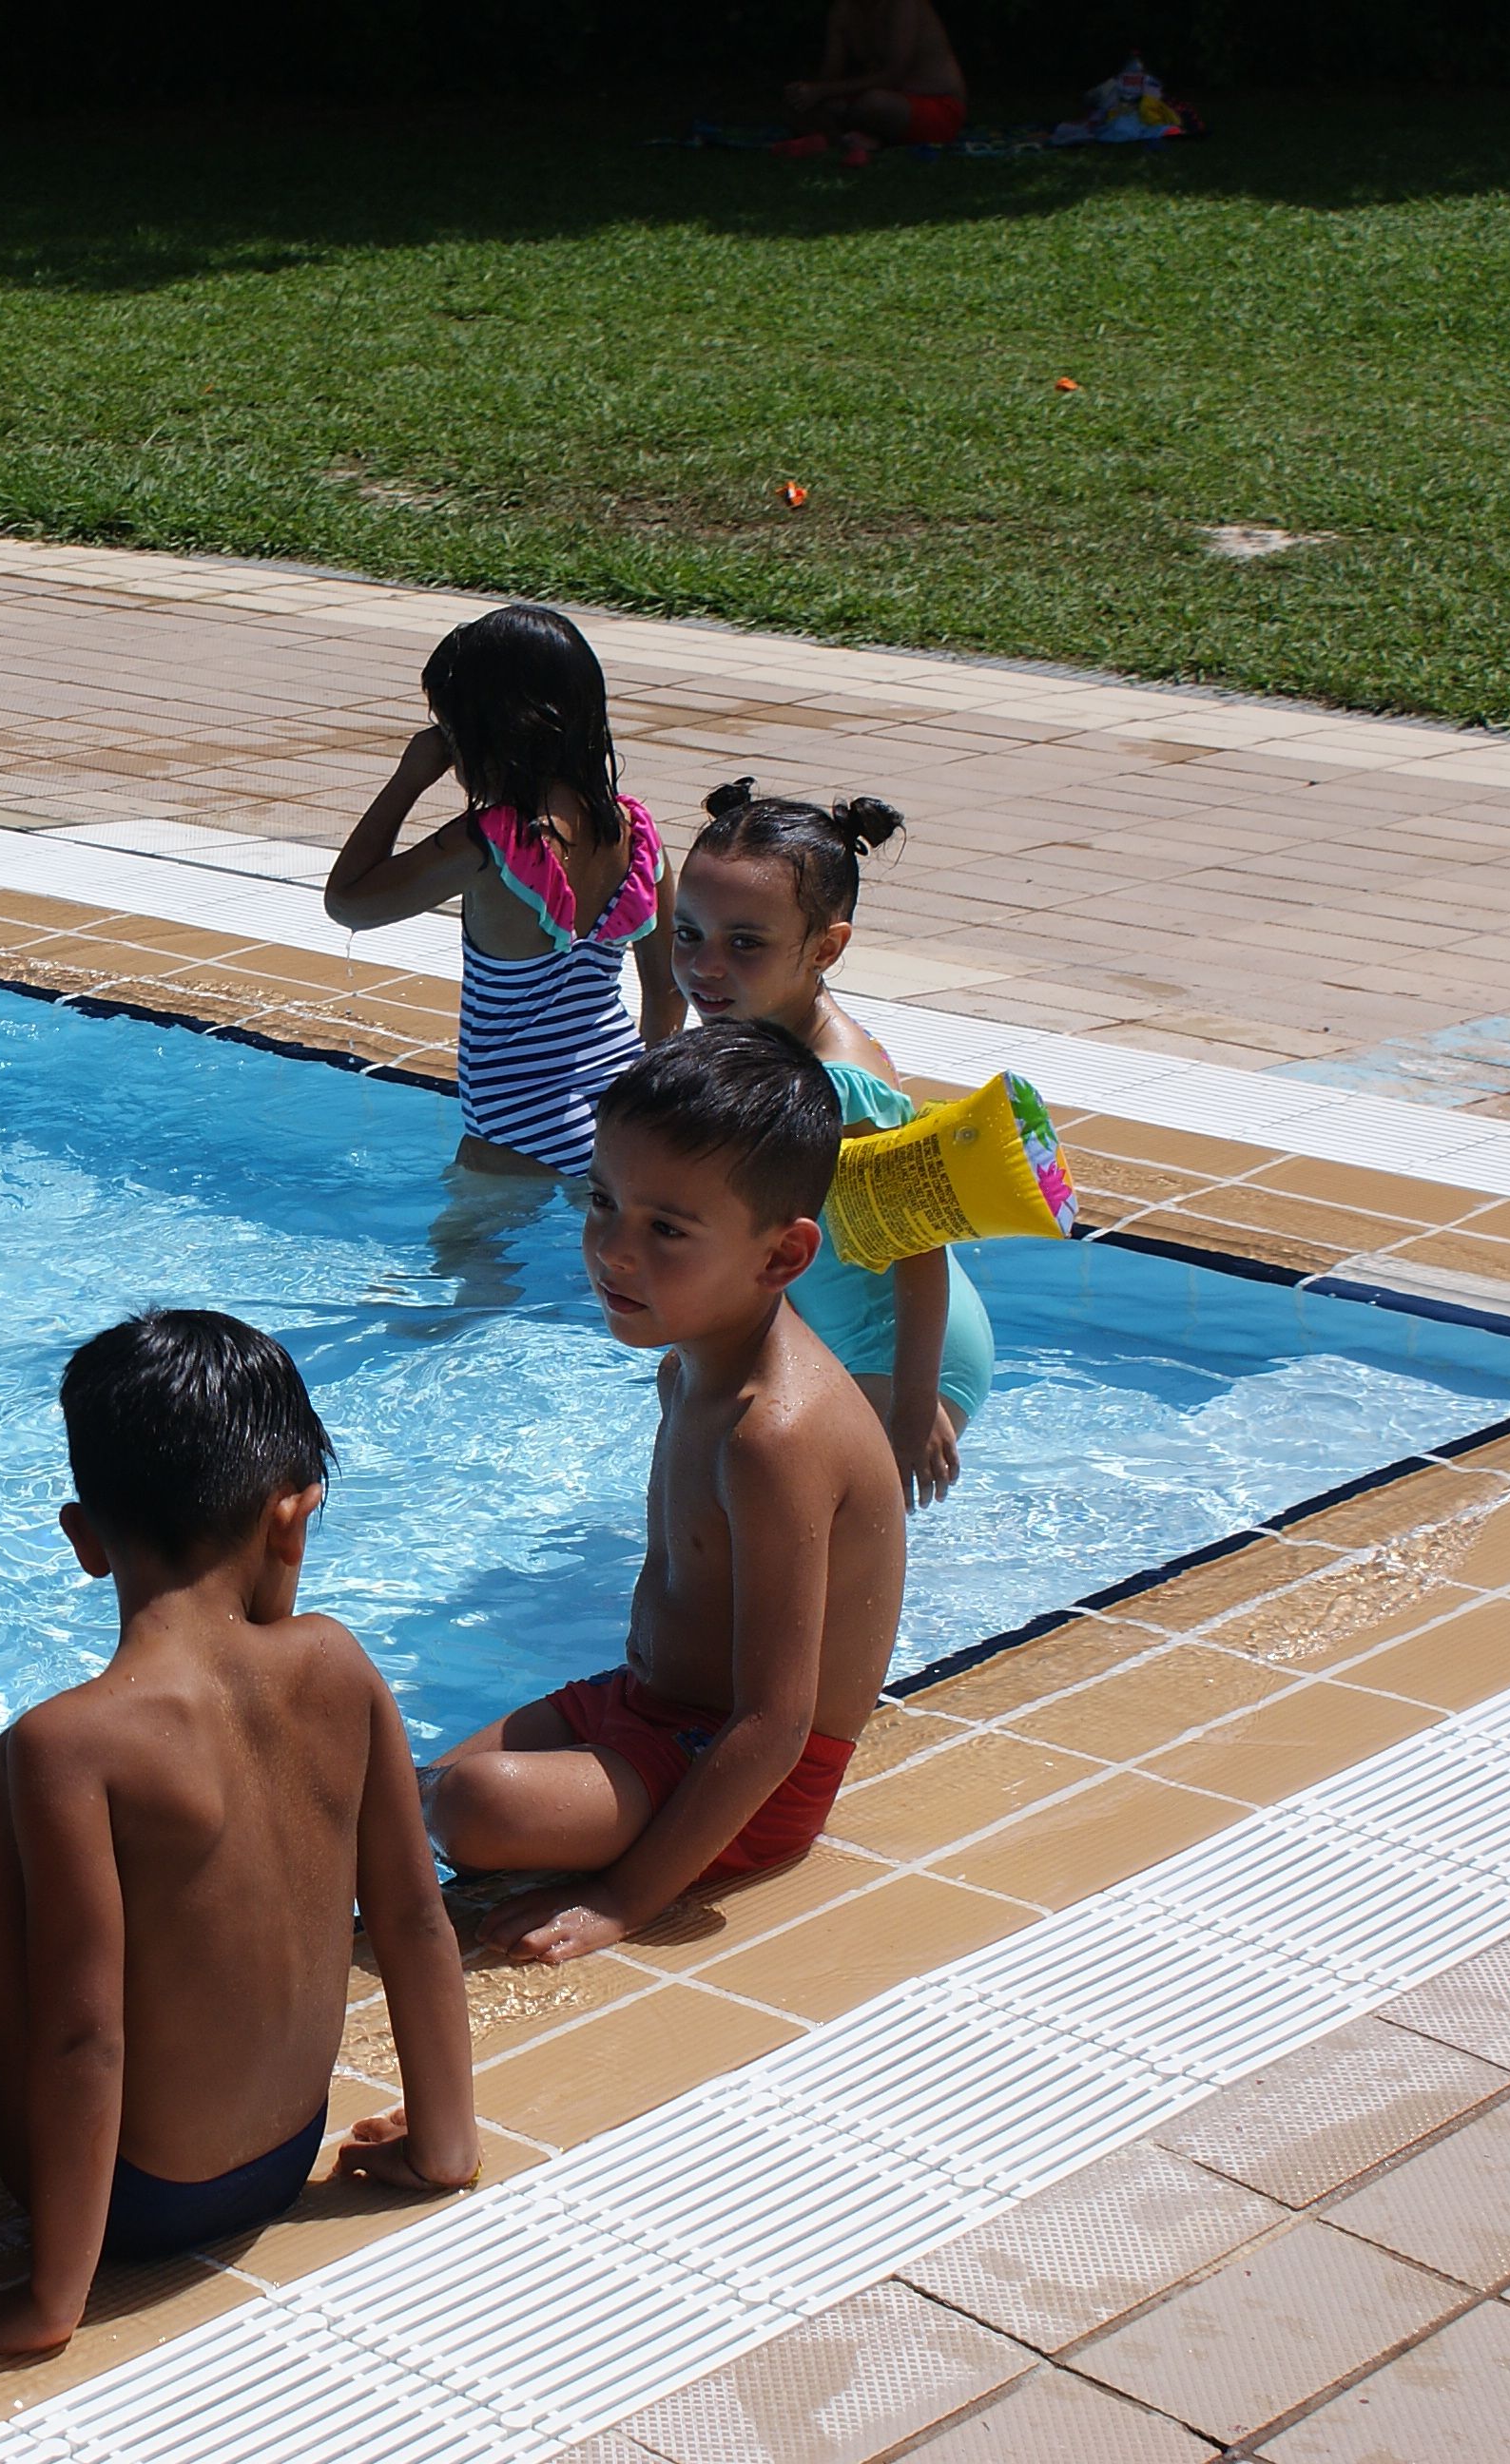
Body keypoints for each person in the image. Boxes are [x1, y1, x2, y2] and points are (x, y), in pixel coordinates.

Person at [0, 1311, 479, 2354]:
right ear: (290, 1520)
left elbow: (84, 2035)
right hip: (285, 2156)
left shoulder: (69, 1743)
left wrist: (50, 2300)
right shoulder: (336, 1663)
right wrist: (442, 2147)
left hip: (135, 2206)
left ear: (82, 1541)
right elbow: (415, 1923)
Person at [425, 1026, 907, 1965]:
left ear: (779, 1258)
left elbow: (775, 1723)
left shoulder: (775, 1435)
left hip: (742, 1770)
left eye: (665, 1229)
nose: (612, 1249)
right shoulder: (687, 1369)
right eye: (602, 1202)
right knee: (405, 1793)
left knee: (471, 1807)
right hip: (643, 1705)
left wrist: (623, 1900)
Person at [323, 606, 685, 1252]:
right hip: (618, 1112)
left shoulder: (489, 843)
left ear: (484, 730)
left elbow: (348, 902)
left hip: (512, 1131)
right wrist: (646, 1115)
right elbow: (667, 991)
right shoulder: (637, 832)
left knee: (460, 1289)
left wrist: (410, 776)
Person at [672, 780, 991, 1510]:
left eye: (744, 943)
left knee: (790, 1502)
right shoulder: (749, 1017)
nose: (705, 966)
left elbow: (919, 1247)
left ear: (826, 947)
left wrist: (913, 1412)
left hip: (900, 1349)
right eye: (688, 933)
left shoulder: (840, 1088)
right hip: (825, 1314)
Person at [784, 0, 969, 151]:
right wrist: (806, 93)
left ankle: (855, 138)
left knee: (873, 104)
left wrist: (821, 91)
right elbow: (829, 78)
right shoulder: (843, 11)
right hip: (878, 99)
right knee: (801, 107)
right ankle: (846, 139)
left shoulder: (903, 5)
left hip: (935, 104)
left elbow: (893, 76)